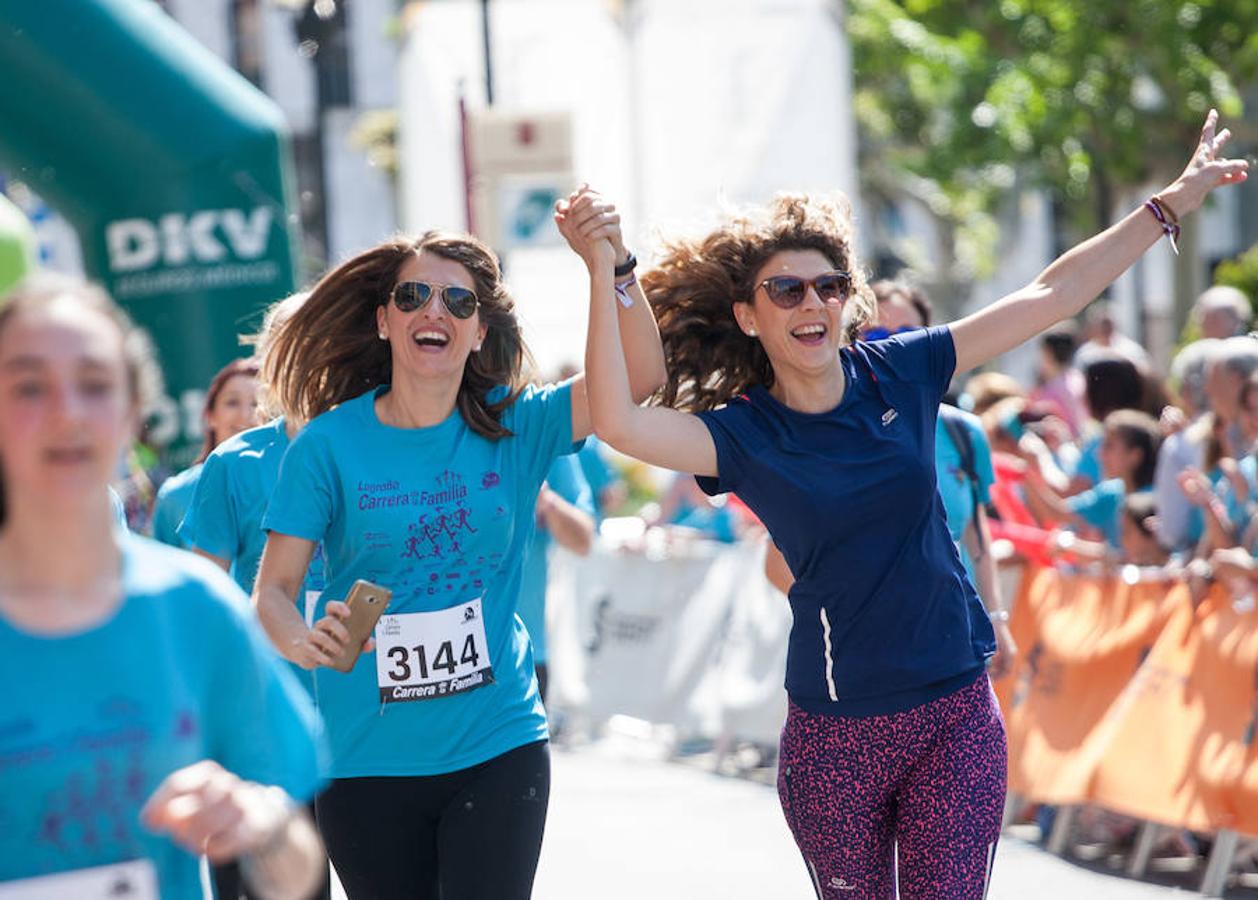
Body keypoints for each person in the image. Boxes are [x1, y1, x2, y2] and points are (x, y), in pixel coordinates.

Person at [575, 111, 1246, 897]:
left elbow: (1052, 293)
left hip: (954, 708)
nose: (810, 302)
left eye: (828, 285)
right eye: (785, 290)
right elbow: (619, 420)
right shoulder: (745, 435)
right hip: (837, 733)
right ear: (750, 318)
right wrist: (608, 271)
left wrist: (1165, 207)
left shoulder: (903, 370)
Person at [252, 191, 666, 899]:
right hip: (364, 759)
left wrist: (610, 268)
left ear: (478, 333)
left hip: (496, 743)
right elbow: (274, 593)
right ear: (385, 321)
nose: (434, 311)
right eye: (413, 296)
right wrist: (300, 642)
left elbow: (642, 381)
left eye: (458, 302)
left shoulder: (518, 426)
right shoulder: (327, 446)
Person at [0, 275, 327, 900]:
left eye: (94, 386)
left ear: (129, 415)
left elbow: (297, 865)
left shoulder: (195, 608)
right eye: (30, 387)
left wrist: (258, 826)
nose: (67, 412)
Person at [177, 294, 331, 900]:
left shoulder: (370, 447)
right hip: (266, 717)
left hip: (369, 713)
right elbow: (203, 601)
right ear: (271, 362)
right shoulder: (235, 463)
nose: (314, 362)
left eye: (323, 344)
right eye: (295, 348)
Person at [151, 357, 260, 548]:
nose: (245, 415)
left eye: (257, 404)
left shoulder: (290, 488)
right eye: (232, 402)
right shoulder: (174, 495)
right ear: (210, 415)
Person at [520, 455, 596, 703]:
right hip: (441, 654)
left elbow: (583, 541)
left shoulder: (549, 446)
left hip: (525, 655)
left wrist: (545, 500)